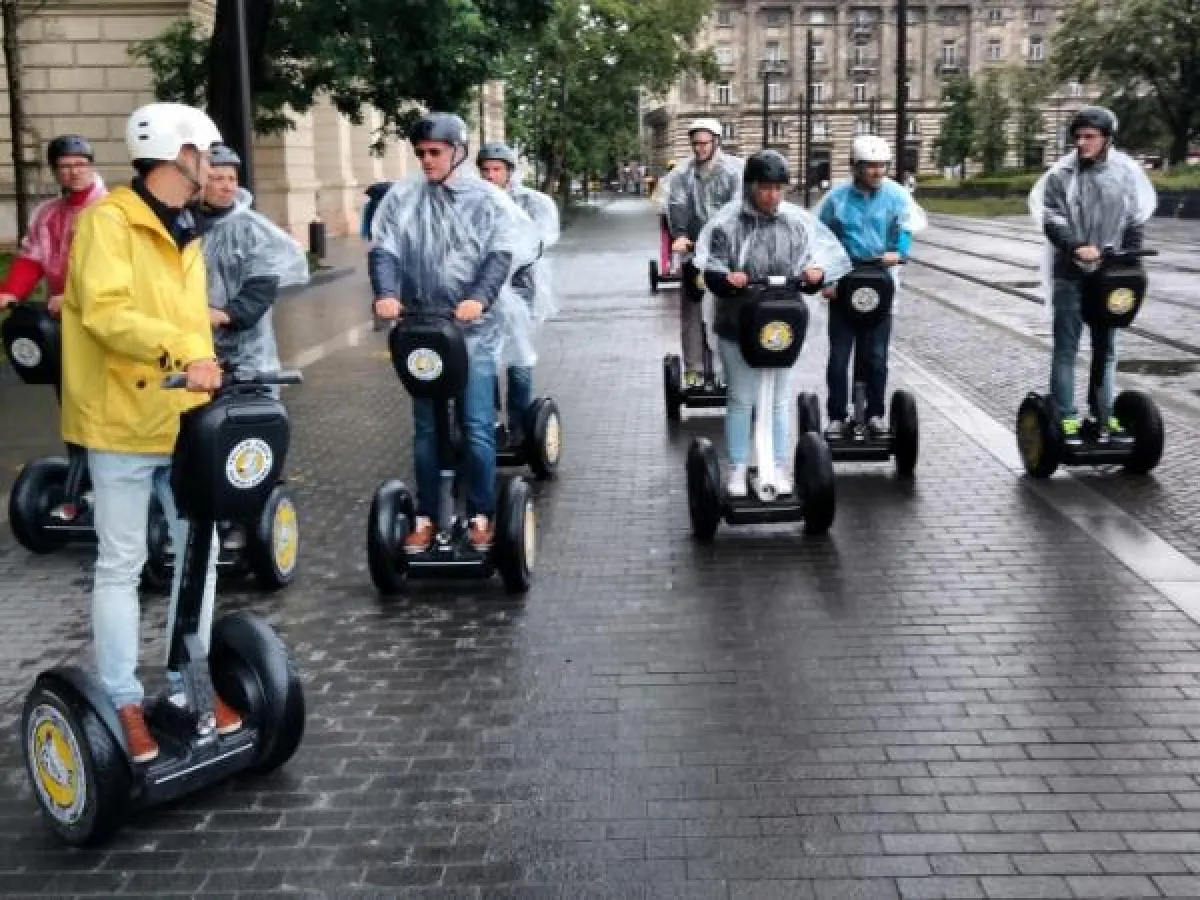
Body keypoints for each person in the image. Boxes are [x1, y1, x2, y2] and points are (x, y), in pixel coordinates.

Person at [60, 102, 236, 764]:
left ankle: (189, 687)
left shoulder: (187, 223)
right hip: (121, 419)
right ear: (180, 152)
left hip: (184, 418)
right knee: (122, 563)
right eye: (207, 153)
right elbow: (106, 314)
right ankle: (123, 701)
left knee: (200, 557)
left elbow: (182, 317)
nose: (213, 165)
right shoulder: (109, 222)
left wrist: (207, 360)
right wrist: (182, 351)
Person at [369, 113, 537, 553]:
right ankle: (427, 515)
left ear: (457, 152)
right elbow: (384, 248)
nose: (426, 160)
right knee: (426, 430)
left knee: (476, 425)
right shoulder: (403, 197)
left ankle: (481, 514)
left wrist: (479, 297)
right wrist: (386, 293)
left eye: (435, 152)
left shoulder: (485, 199)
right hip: (422, 327)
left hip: (472, 330)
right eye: (421, 153)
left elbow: (501, 252)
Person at [696, 150, 851, 497]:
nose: (772, 195)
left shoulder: (794, 225)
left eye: (778, 188)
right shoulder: (727, 226)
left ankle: (777, 467)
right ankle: (738, 468)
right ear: (750, 187)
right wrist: (729, 279)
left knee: (778, 399)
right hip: (737, 325)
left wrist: (815, 275)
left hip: (780, 327)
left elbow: (809, 271)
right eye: (765, 188)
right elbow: (713, 271)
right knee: (741, 398)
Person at [1029, 106, 1157, 442]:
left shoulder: (1125, 174)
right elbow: (1053, 219)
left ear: (1107, 139)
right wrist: (1075, 246)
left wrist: (1131, 259)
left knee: (1107, 347)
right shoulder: (1061, 175)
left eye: (1090, 136)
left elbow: (1135, 219)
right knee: (1067, 348)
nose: (1081, 142)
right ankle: (1066, 417)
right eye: (1078, 136)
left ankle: (1105, 414)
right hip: (1071, 272)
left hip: (1110, 275)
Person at [815, 135, 927, 438]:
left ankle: (874, 413)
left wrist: (898, 252)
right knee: (839, 357)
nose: (877, 172)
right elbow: (821, 237)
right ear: (855, 166)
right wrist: (828, 280)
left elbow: (906, 227)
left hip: (881, 279)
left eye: (882, 166)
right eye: (870, 166)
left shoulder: (896, 195)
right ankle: (837, 415)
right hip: (845, 279)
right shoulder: (837, 199)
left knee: (876, 355)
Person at [199, 144, 310, 385]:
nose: (227, 186)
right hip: (193, 351)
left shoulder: (251, 228)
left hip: (247, 354)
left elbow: (263, 283)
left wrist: (228, 314)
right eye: (218, 179)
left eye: (232, 179)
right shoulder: (184, 225)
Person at [476, 141, 560, 447]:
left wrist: (504, 263)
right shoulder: (473, 202)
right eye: (485, 170)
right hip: (482, 293)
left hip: (519, 291)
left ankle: (521, 426)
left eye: (496, 169)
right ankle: (489, 424)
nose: (490, 176)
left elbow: (539, 241)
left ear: (509, 172)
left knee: (518, 360)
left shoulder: (531, 202)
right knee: (482, 359)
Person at [667, 119, 744, 387]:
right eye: (695, 144)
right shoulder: (683, 174)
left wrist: (730, 240)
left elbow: (738, 208)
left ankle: (728, 368)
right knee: (692, 309)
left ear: (716, 142)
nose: (699, 148)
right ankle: (694, 369)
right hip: (695, 251)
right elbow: (677, 204)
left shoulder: (735, 171)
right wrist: (680, 235)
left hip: (727, 253)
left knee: (730, 308)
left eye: (704, 143)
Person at [0, 135, 107, 315]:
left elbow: (112, 269)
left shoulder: (108, 209)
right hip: (57, 308)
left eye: (81, 164)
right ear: (54, 171)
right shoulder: (47, 213)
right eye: (65, 166)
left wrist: (75, 297)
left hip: (102, 309)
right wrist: (11, 292)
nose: (74, 172)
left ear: (91, 166)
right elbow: (32, 258)